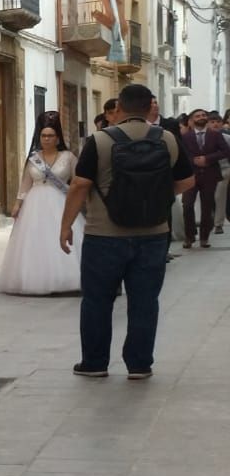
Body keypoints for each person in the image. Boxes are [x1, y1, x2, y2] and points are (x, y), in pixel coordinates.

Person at [61, 81, 196, 380]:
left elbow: (80, 185)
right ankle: (139, 364)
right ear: (150, 108)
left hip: (104, 235)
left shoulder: (100, 140)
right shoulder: (168, 140)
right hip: (153, 234)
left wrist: (66, 225)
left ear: (118, 108)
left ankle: (95, 363)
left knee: (97, 300)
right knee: (145, 301)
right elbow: (187, 182)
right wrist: (157, 197)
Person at [0, 112, 83, 295]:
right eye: (43, 135)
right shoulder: (33, 159)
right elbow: (25, 183)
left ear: (57, 138)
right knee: (34, 241)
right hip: (34, 204)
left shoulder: (68, 157)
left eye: (50, 135)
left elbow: (77, 182)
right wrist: (18, 203)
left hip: (61, 201)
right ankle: (34, 277)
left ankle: (66, 277)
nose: (46, 139)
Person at [180, 109, 229, 249]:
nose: (201, 117)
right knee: (187, 205)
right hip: (191, 175)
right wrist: (194, 160)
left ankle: (204, 238)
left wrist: (207, 159)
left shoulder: (215, 135)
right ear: (192, 120)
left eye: (203, 115)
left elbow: (225, 151)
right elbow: (182, 153)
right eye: (198, 116)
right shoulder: (185, 136)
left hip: (210, 174)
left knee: (207, 206)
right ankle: (189, 236)